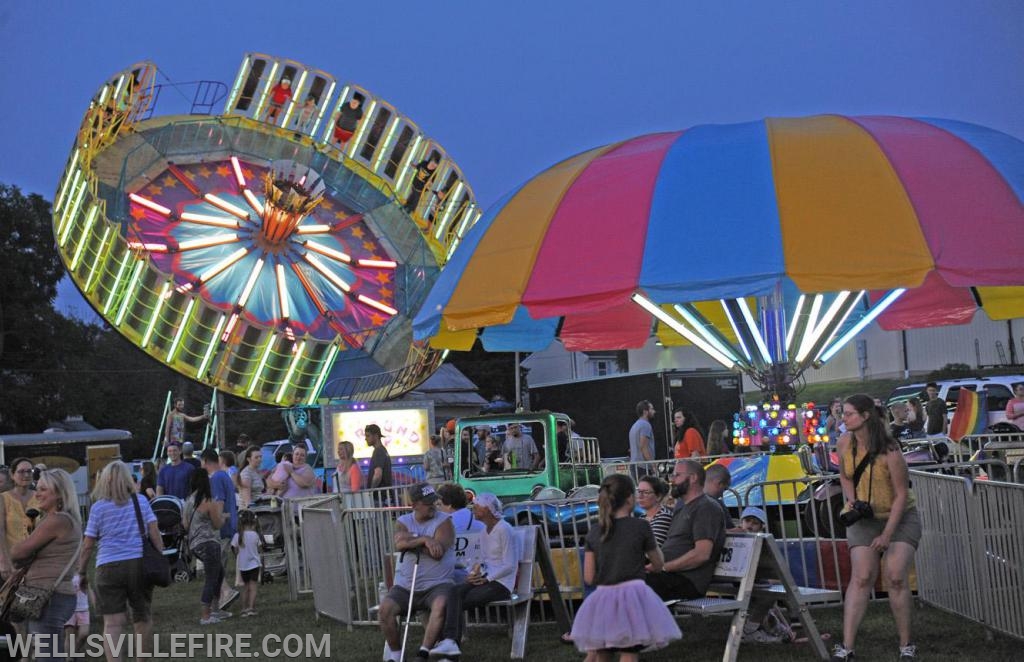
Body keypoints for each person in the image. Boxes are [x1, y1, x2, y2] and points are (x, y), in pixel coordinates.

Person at [830, 394, 922, 661]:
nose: (843, 418)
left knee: (895, 576)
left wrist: (887, 535)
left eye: (848, 414)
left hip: (900, 516)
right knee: (861, 577)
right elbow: (845, 475)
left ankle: (906, 646)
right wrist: (853, 502)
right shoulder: (844, 442)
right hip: (864, 517)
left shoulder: (890, 450)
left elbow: (902, 496)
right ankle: (847, 647)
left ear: (866, 416)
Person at [569, 474, 681, 660]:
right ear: (630, 498)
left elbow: (589, 577)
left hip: (603, 598)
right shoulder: (641, 527)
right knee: (629, 651)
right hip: (633, 597)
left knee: (602, 650)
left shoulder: (595, 532)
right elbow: (658, 563)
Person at [78, 461, 163, 662]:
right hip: (138, 564)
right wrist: (160, 557)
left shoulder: (98, 508)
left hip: (107, 567)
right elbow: (154, 532)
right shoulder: (140, 501)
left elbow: (88, 544)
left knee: (113, 623)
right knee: (142, 616)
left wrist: (81, 571)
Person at [429, 493, 518, 659]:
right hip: (486, 578)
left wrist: (486, 578)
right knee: (454, 592)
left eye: (477, 507)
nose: (473, 510)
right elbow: (484, 560)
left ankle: (450, 644)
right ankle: (449, 642)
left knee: (457, 602)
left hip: (501, 583)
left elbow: (510, 565)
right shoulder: (485, 531)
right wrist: (474, 573)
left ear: (487, 509)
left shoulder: (504, 530)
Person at [11, 469, 82, 662]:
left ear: (59, 493)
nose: (37, 494)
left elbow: (17, 553)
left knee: (48, 658)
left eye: (43, 489)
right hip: (56, 596)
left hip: (49, 597)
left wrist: (20, 554)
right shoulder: (66, 519)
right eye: (37, 488)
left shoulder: (56, 520)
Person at [379, 484, 454, 662]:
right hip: (406, 585)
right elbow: (399, 544)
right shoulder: (403, 521)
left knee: (441, 603)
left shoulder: (444, 521)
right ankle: (396, 655)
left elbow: (437, 553)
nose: (433, 506)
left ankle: (423, 652)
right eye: (427, 503)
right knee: (384, 610)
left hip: (438, 583)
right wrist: (425, 539)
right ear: (414, 505)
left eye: (434, 501)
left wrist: (411, 543)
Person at [645, 460, 727, 601]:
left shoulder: (706, 507)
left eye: (677, 475)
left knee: (632, 587)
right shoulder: (681, 507)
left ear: (693, 478)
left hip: (686, 580)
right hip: (667, 575)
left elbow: (701, 554)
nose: (672, 480)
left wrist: (664, 567)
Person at [737, 507, 802, 645]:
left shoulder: (756, 541)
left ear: (762, 527)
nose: (750, 525)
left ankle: (781, 622)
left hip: (749, 580)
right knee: (772, 590)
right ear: (741, 523)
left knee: (776, 586)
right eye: (747, 521)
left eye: (755, 523)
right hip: (745, 581)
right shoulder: (741, 541)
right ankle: (749, 630)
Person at [183, 469, 227, 625]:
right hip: (208, 543)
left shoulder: (188, 501)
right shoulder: (209, 501)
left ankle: (216, 610)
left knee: (219, 573)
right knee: (211, 578)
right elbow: (216, 525)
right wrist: (224, 518)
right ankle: (206, 615)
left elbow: (185, 524)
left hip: (195, 544)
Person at [201, 448, 240, 614]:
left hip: (222, 527)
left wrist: (215, 521)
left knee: (215, 568)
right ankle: (218, 607)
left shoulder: (216, 478)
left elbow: (219, 503)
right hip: (230, 525)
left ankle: (226, 592)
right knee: (218, 567)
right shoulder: (224, 475)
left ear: (205, 461)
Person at [0, 457, 41, 579]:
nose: (26, 475)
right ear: (12, 475)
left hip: (36, 560)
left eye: (30, 471)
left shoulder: (39, 497)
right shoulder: (3, 498)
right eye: (21, 471)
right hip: (12, 560)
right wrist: (3, 561)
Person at [231, 510, 262, 617]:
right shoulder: (255, 535)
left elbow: (235, 551)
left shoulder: (237, 536)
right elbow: (259, 549)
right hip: (254, 565)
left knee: (245, 588)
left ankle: (244, 609)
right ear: (253, 523)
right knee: (253, 588)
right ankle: (251, 608)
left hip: (243, 566)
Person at [636, 475, 673, 546]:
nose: (640, 496)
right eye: (639, 491)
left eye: (646, 492)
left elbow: (653, 548)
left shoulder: (664, 516)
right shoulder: (642, 517)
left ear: (658, 497)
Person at [64, 572, 92, 659]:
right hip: (69, 608)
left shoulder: (83, 573)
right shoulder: (66, 572)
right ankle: (69, 658)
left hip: (83, 609)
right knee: (70, 636)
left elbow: (89, 589)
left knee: (84, 634)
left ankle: (73, 653)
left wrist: (96, 603)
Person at [704, 463, 735, 530]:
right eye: (724, 489)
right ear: (719, 484)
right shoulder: (717, 505)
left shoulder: (683, 501)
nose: (722, 495)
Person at [366, 424, 393, 490]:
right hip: (384, 496)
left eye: (368, 436)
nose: (365, 438)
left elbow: (378, 475)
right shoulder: (383, 450)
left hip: (380, 497)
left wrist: (371, 491)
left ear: (376, 436)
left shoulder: (378, 451)